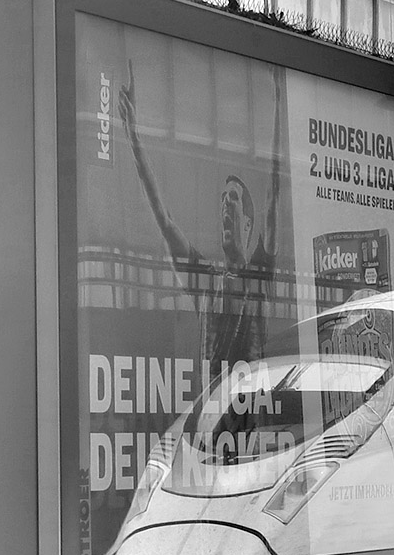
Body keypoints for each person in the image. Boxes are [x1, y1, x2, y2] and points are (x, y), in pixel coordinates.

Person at [118, 60, 287, 385]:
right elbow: (164, 219)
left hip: (250, 421)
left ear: (249, 225)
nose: (225, 203)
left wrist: (280, 101)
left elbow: (273, 193)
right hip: (212, 427)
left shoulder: (261, 272)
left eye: (234, 198)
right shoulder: (205, 280)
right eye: (223, 198)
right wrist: (133, 138)